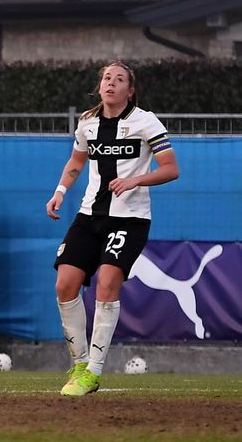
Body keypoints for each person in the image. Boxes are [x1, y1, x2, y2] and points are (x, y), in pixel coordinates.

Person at [46, 62, 178, 397]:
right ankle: (79, 363)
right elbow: (76, 162)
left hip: (130, 219)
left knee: (107, 282)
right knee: (65, 283)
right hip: (89, 215)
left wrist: (136, 179)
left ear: (129, 90)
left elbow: (170, 169)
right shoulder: (87, 123)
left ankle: (93, 372)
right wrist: (60, 192)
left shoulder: (145, 121)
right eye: (107, 78)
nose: (111, 83)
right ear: (100, 85)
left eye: (119, 80)